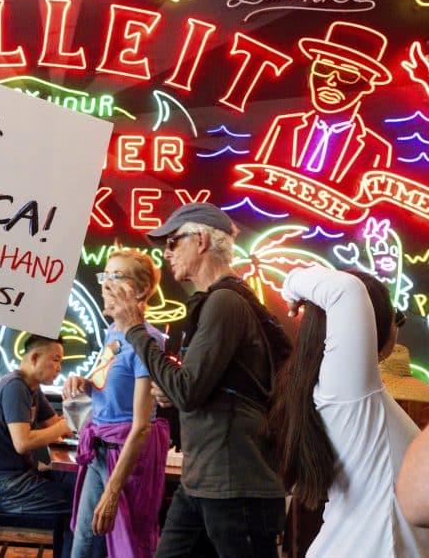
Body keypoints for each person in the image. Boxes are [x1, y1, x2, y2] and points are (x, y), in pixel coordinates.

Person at [117, 202, 289, 557]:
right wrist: (173, 389)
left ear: (200, 241)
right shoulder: (219, 302)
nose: (166, 253)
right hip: (205, 481)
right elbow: (193, 387)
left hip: (235, 485)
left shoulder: (225, 303)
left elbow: (188, 391)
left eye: (173, 242)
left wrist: (136, 329)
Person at [267, 265, 429, 556]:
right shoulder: (346, 394)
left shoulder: (342, 397)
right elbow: (348, 291)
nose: (397, 325)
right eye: (395, 315)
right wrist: (291, 284)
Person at [62, 249, 170, 558]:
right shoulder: (113, 332)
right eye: (104, 275)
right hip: (99, 452)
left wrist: (112, 493)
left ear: (141, 289)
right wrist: (85, 384)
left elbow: (141, 427)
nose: (106, 285)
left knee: (127, 549)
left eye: (117, 276)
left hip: (126, 460)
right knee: (83, 544)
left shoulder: (148, 341)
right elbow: (112, 386)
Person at [253, 21, 393, 195]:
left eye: (348, 75)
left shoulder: (375, 148)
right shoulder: (284, 126)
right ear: (310, 75)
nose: (330, 81)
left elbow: (369, 202)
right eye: (323, 68)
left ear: (368, 86)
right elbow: (256, 179)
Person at [0, 334, 75, 524]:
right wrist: (66, 424)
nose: (59, 367)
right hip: (3, 488)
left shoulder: (32, 388)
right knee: (83, 502)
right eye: (55, 360)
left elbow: (55, 425)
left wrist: (76, 412)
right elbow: (23, 443)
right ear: (35, 357)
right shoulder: (14, 386)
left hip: (18, 479)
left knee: (77, 487)